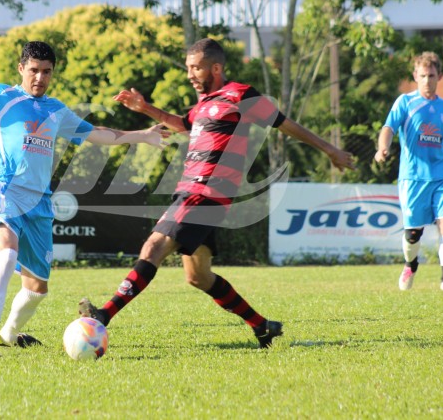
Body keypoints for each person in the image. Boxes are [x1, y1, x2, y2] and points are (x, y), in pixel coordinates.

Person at [78, 38, 355, 349]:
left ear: (217, 68)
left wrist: (330, 149)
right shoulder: (202, 105)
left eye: (196, 68)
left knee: (154, 246)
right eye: (188, 68)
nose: (190, 75)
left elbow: (285, 124)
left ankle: (103, 315)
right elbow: (183, 124)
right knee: (198, 276)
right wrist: (145, 108)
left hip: (204, 192)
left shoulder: (241, 94)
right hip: (197, 193)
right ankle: (262, 326)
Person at [0, 19, 168, 358]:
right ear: (21, 68)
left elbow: (99, 134)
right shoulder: (0, 97)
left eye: (46, 71)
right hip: (5, 191)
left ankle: (8, 335)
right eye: (34, 70)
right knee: (7, 251)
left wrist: (143, 136)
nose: (40, 78)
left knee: (37, 288)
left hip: (40, 203)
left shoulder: (56, 111)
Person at [374, 51, 443, 292]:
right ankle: (410, 264)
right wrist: (382, 148)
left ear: (439, 76)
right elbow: (389, 127)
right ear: (415, 76)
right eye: (423, 76)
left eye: (431, 75)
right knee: (412, 233)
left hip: (441, 175)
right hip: (413, 177)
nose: (427, 80)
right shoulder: (405, 102)